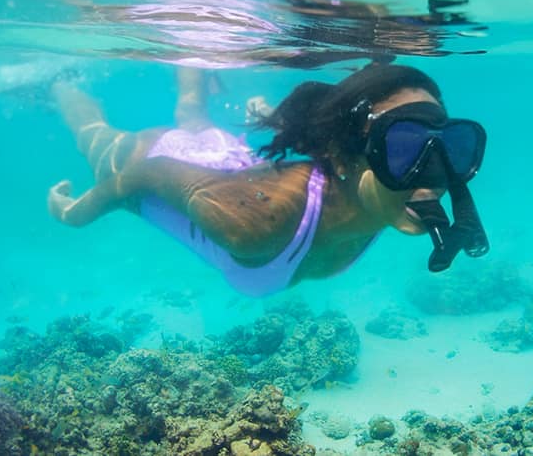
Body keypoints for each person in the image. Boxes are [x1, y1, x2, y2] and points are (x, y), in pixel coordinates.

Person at [47, 63, 489, 296]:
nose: (431, 175)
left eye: (448, 147)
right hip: (156, 159)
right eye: (402, 148)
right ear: (342, 158)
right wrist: (77, 213)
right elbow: (150, 173)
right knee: (93, 138)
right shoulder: (258, 224)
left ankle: (195, 65)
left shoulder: (378, 200)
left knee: (195, 119)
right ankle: (58, 83)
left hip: (230, 166)